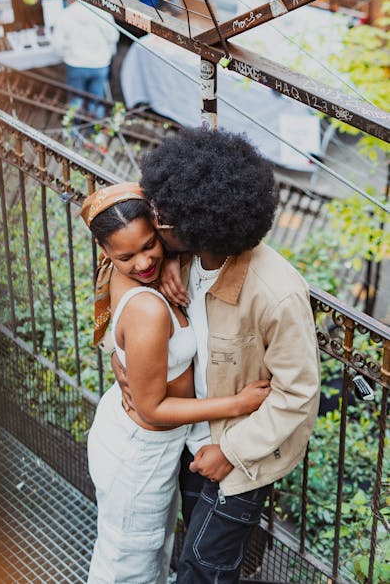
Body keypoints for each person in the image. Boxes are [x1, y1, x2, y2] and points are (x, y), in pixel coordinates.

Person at [113, 128, 321, 583]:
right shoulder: (181, 259)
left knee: (202, 571)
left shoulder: (276, 295)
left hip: (239, 459)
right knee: (196, 558)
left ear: (198, 222)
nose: (156, 220)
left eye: (164, 216)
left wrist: (229, 450)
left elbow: (299, 394)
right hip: (188, 440)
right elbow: (121, 297)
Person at [80, 182, 271, 584]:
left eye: (150, 245)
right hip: (139, 455)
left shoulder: (136, 275)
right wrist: (237, 404)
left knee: (145, 552)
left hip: (143, 442)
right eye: (126, 256)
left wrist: (172, 259)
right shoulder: (148, 308)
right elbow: (152, 407)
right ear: (106, 253)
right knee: (127, 566)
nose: (143, 262)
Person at [52, 0, 119, 121]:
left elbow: (57, 45)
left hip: (75, 64)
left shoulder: (66, 14)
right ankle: (97, 135)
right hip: (99, 64)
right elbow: (114, 37)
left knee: (75, 102)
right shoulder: (102, 13)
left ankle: (73, 134)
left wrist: (67, 55)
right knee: (96, 102)